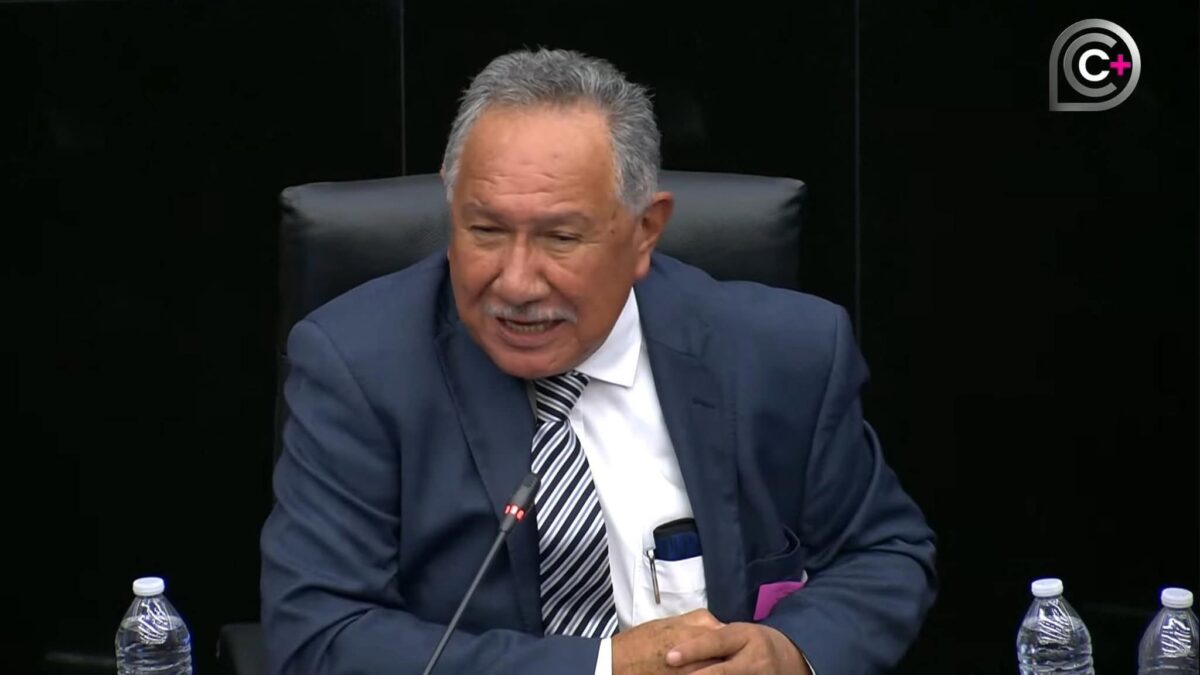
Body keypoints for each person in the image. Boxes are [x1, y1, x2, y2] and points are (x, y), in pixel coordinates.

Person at [260, 48, 936, 675]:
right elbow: (321, 633)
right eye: (485, 230)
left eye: (560, 237)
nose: (516, 283)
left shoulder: (781, 352)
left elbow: (882, 554)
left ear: (645, 231)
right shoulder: (359, 366)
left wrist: (789, 652)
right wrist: (603, 668)